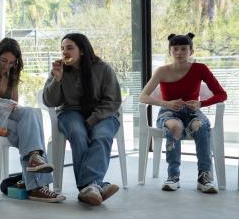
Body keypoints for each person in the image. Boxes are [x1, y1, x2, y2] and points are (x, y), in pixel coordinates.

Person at [0, 37, 65, 203]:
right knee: (29, 134)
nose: (7, 66)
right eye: (4, 61)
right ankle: (37, 185)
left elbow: (15, 103)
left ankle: (34, 162)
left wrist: (10, 106)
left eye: (12, 62)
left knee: (31, 112)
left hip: (6, 118)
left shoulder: (13, 75)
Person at [138, 33, 226, 193]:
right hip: (168, 112)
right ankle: (173, 176)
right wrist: (165, 103)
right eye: (175, 49)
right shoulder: (162, 71)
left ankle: (204, 177)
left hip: (193, 112)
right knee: (174, 127)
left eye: (184, 49)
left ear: (191, 51)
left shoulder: (200, 69)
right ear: (170, 52)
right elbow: (143, 96)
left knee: (201, 126)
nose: (179, 52)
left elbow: (222, 94)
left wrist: (201, 103)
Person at [42, 33, 123, 205]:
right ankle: (95, 185)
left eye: (70, 48)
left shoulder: (103, 69)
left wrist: (92, 120)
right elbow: (50, 101)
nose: (65, 52)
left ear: (83, 51)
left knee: (101, 135)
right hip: (70, 112)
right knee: (77, 133)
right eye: (63, 48)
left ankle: (88, 186)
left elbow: (113, 101)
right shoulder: (60, 70)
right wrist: (57, 79)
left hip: (103, 112)